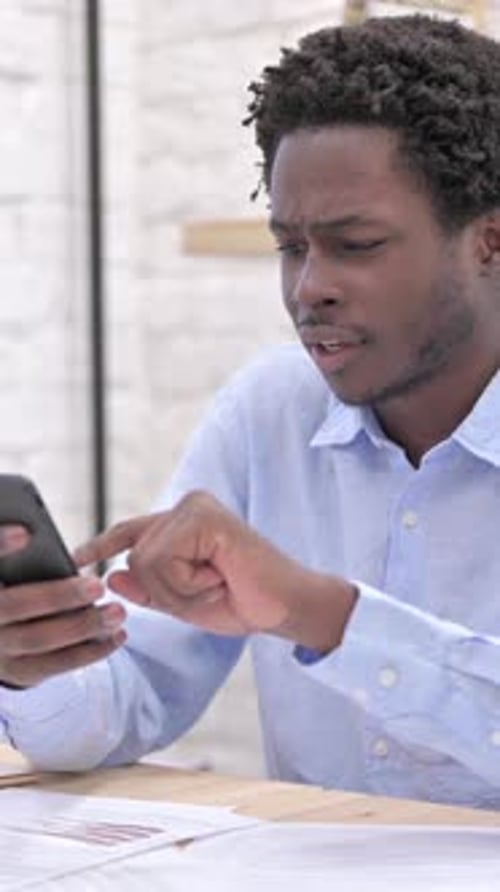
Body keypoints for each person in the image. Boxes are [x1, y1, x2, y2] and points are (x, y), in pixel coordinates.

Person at [1, 13, 500, 809]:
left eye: (356, 244)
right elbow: (118, 707)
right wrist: (34, 665)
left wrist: (318, 612)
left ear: (489, 242)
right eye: (291, 246)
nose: (309, 288)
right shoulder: (270, 409)